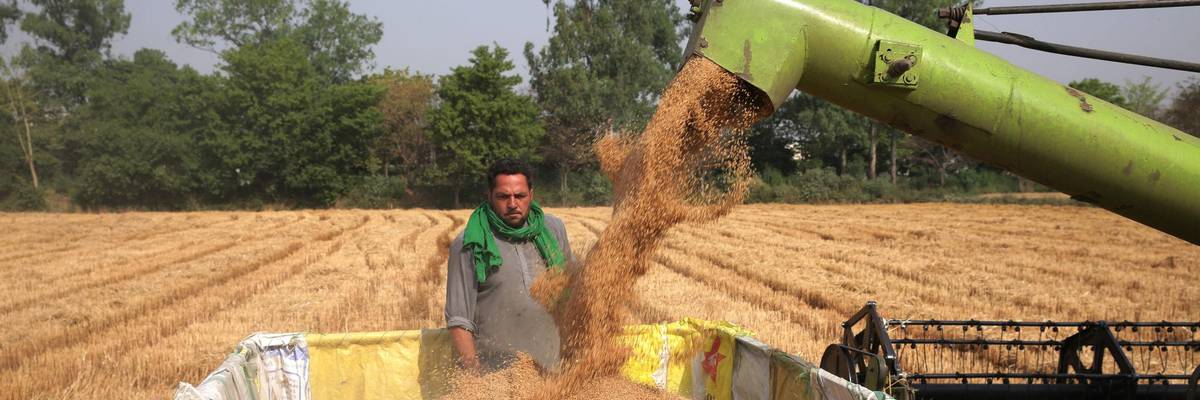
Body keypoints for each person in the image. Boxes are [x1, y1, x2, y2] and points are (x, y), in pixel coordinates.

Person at [444, 159, 574, 373]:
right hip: (500, 374)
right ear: (490, 196)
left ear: (531, 194)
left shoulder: (553, 229)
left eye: (520, 196)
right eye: (503, 197)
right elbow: (459, 319)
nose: (513, 204)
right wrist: (475, 375)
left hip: (553, 369)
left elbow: (572, 292)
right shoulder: (471, 243)